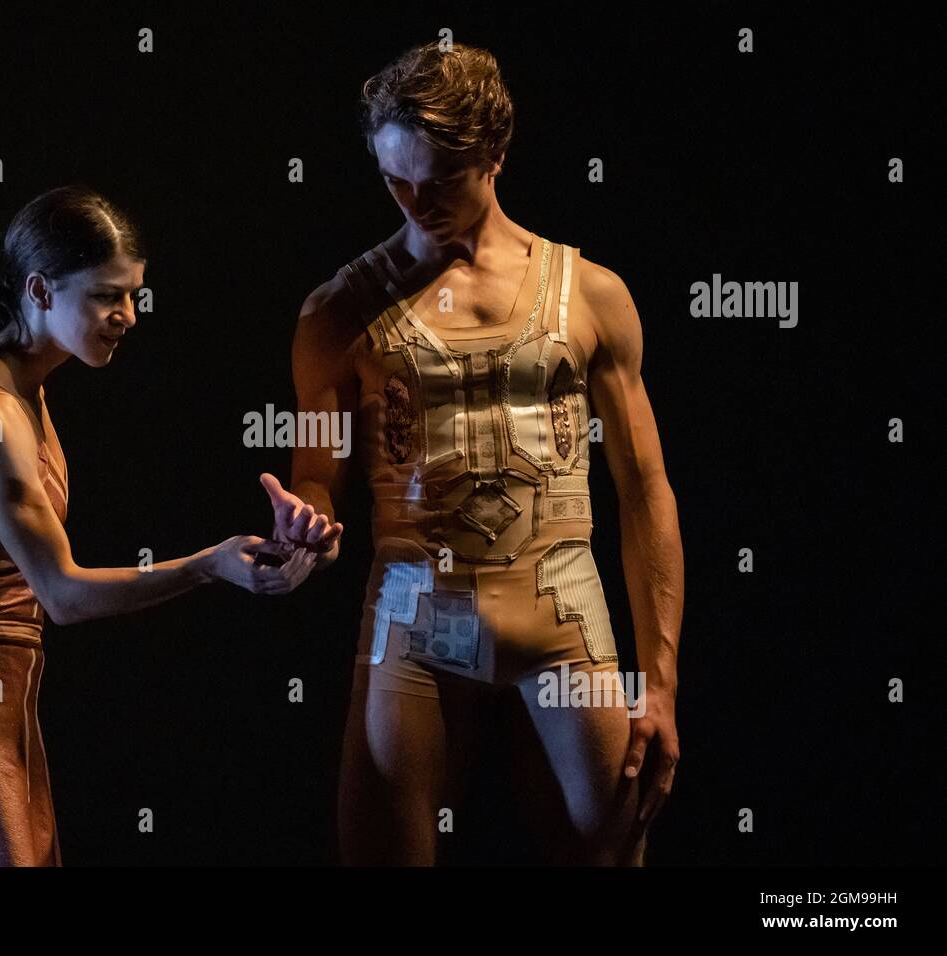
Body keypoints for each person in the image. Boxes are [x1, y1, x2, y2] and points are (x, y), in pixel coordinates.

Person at [269, 41, 684, 865]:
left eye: (439, 183)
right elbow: (316, 478)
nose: (415, 202)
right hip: (418, 622)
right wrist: (301, 526)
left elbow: (644, 493)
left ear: (495, 155)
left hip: (563, 621)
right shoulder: (336, 315)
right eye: (394, 181)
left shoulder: (591, 295)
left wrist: (662, 680)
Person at [0, 184, 323, 866]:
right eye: (106, 296)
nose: (127, 315)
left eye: (133, 294)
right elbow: (62, 595)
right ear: (40, 290)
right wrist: (208, 564)